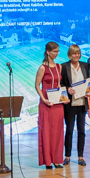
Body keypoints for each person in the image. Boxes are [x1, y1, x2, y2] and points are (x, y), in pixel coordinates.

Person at [36, 41, 66, 169]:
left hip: (57, 103)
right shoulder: (43, 68)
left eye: (58, 51)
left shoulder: (59, 67)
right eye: (54, 51)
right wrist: (43, 99)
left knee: (57, 131)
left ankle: (57, 159)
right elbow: (37, 85)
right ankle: (48, 161)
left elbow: (58, 84)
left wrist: (63, 97)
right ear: (48, 52)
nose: (57, 53)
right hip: (46, 103)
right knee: (47, 131)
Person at [61, 43, 90, 166]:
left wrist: (89, 91)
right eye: (74, 53)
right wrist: (67, 89)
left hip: (82, 102)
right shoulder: (64, 66)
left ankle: (80, 157)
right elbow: (60, 83)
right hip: (70, 103)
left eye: (78, 53)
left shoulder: (85, 65)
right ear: (69, 55)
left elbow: (89, 82)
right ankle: (67, 156)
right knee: (69, 130)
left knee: (81, 131)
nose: (77, 55)